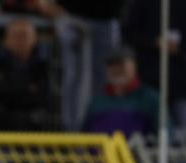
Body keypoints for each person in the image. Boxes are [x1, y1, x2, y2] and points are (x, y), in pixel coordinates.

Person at [37, 0, 126, 131]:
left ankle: (100, 128)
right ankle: (74, 133)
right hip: (71, 16)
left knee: (104, 80)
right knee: (75, 79)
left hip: (106, 18)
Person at [124, 0, 186, 129]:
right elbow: (129, 32)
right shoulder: (144, 4)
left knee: (179, 132)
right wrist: (154, 42)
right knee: (146, 131)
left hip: (183, 85)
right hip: (149, 83)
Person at [0, 19, 51, 131]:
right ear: (5, 41)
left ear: (34, 39)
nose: (20, 41)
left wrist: (14, 87)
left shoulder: (42, 64)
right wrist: (27, 88)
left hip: (34, 126)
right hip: (2, 125)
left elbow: (44, 95)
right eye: (15, 36)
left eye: (24, 36)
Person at [83, 46, 161, 137]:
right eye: (112, 65)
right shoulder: (97, 101)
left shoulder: (149, 99)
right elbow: (83, 136)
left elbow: (165, 135)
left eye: (121, 64)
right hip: (100, 146)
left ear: (134, 66)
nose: (116, 69)